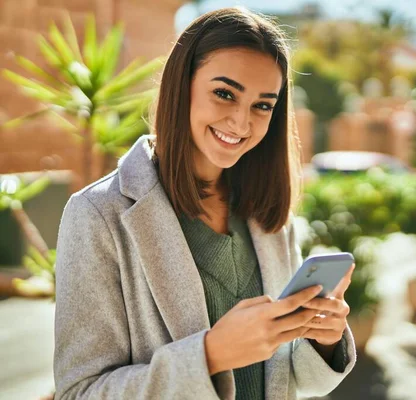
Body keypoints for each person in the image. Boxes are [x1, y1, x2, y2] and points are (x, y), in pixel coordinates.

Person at [53, 6, 356, 400]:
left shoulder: (270, 217)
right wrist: (210, 355)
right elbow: (80, 392)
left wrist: (323, 340)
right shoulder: (97, 214)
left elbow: (284, 377)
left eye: (263, 105)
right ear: (182, 84)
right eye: (224, 93)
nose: (241, 122)